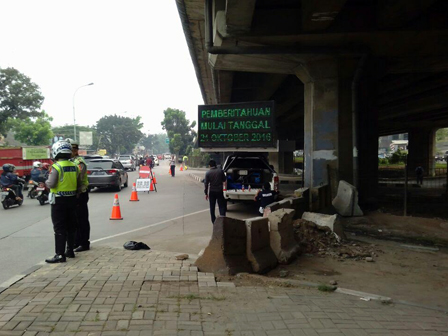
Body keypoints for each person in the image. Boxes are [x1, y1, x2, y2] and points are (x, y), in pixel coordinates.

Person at [45, 140, 82, 263]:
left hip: (59, 201)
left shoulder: (56, 167)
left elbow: (51, 184)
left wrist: (45, 181)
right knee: (71, 227)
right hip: (72, 200)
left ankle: (59, 254)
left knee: (59, 228)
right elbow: (79, 184)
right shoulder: (75, 166)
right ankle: (70, 250)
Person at [66, 138, 91, 252]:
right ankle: (76, 242)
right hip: (72, 195)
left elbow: (79, 180)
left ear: (75, 150)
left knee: (81, 219)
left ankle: (84, 243)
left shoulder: (79, 163)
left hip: (80, 194)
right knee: (73, 220)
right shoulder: (69, 162)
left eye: (70, 149)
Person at [204, 159, 226, 224]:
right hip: (219, 190)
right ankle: (223, 220)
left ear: (209, 165)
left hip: (212, 191)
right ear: (215, 165)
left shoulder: (208, 173)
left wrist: (206, 193)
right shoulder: (220, 171)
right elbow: (224, 180)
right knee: (221, 206)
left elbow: (206, 184)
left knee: (212, 207)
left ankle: (214, 221)